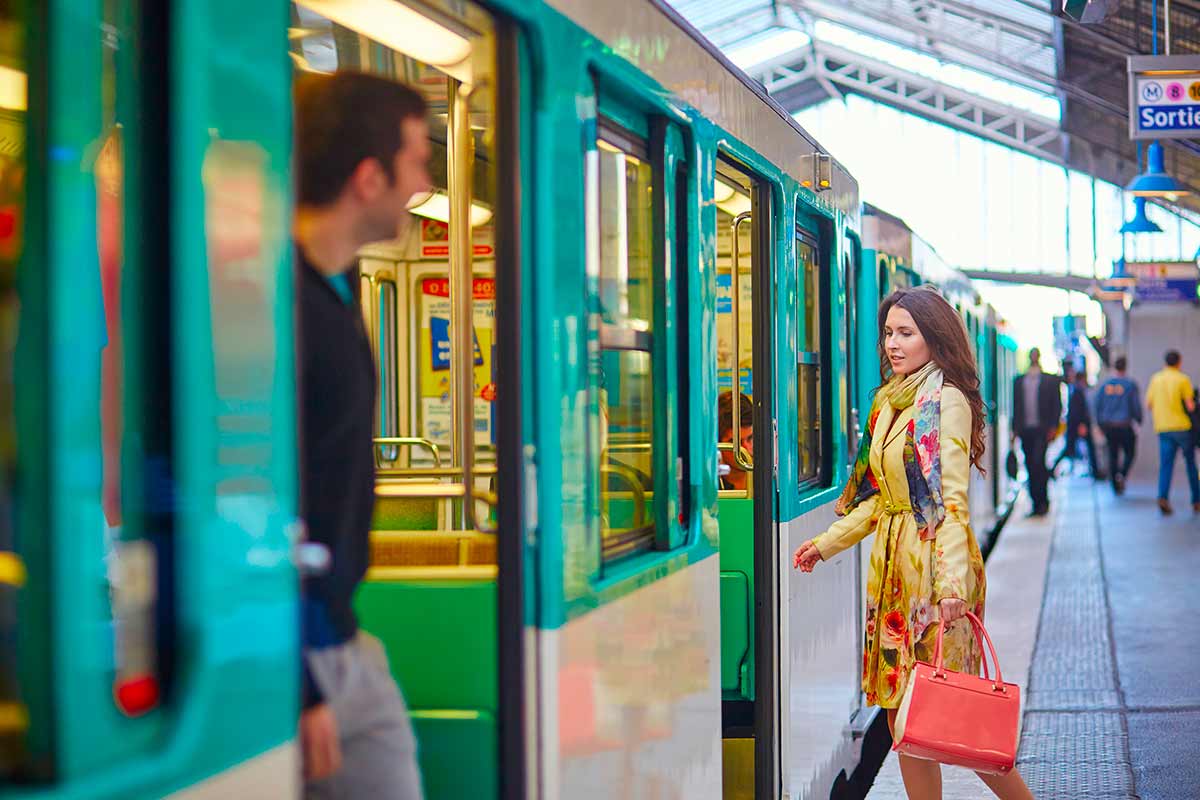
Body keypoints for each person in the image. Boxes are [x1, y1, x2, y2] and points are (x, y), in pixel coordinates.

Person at [792, 287, 1034, 800]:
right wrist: (827, 543)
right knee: (906, 722)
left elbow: (949, 502)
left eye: (906, 333)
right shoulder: (889, 402)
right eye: (888, 333)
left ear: (935, 338)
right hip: (894, 579)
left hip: (931, 578)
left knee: (953, 720)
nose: (893, 345)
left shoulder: (945, 401)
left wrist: (952, 586)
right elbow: (882, 499)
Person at [294, 71, 432, 798]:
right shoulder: (283, 309)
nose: (425, 181)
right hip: (300, 653)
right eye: (416, 160)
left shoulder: (337, 292)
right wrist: (301, 679)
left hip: (338, 641)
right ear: (369, 176)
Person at [1144, 349, 1199, 515]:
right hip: (1182, 427)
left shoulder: (1156, 379)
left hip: (1163, 428)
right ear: (1179, 362)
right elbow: (1190, 406)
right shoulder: (1183, 379)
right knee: (1190, 464)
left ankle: (1163, 497)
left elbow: (1148, 404)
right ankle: (1196, 500)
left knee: (1166, 465)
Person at [1011, 348, 1062, 517]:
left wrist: (1054, 427)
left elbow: (1057, 406)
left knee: (1038, 463)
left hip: (1042, 430)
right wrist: (1014, 430)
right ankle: (1035, 502)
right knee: (1029, 465)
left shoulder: (1050, 380)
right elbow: (1016, 407)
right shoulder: (1019, 382)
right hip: (1026, 431)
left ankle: (1043, 501)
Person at [1095, 356, 1142, 495]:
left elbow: (1097, 405)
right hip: (1124, 425)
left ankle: (1114, 484)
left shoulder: (1105, 385)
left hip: (1109, 426)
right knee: (1130, 453)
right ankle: (1121, 475)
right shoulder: (1130, 384)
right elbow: (1135, 406)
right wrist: (1138, 420)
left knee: (1112, 454)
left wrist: (1100, 424)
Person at [1052, 371, 1098, 478]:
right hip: (1078, 425)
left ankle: (1095, 471)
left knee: (1070, 449)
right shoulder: (1078, 391)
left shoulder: (1075, 389)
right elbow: (1078, 410)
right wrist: (1081, 424)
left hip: (1076, 425)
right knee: (1073, 449)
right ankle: (1095, 472)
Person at [718, 390, 754, 491]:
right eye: (735, 442)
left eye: (750, 438)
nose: (745, 449)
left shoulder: (767, 479)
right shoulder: (711, 486)